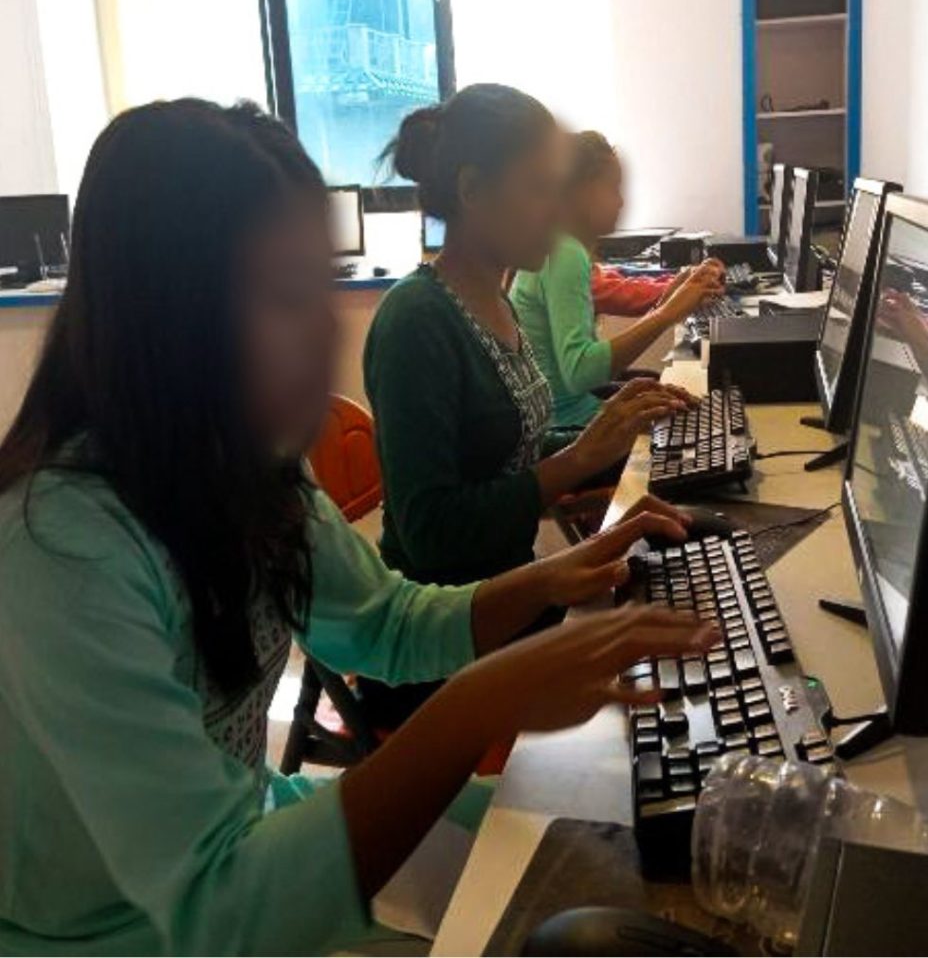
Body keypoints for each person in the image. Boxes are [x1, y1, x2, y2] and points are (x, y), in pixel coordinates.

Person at [0, 99, 718, 955]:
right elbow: (219, 914)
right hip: (120, 931)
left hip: (247, 840)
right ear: (164, 306)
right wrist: (484, 698)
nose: (320, 328)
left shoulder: (241, 452)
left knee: (622, 848)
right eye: (282, 294)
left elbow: (380, 621)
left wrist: (555, 578)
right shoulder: (60, 546)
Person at [365, 85, 689, 593]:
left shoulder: (497, 299)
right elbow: (429, 533)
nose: (559, 213)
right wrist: (578, 460)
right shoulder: (416, 320)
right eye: (540, 189)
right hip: (446, 625)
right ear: (472, 189)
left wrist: (615, 435)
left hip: (509, 588)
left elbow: (512, 453)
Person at [510, 130, 725, 427]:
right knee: (692, 421)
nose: (621, 202)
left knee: (669, 397)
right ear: (581, 192)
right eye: (613, 188)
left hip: (571, 411)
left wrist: (670, 297)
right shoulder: (565, 254)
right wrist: (666, 314)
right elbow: (581, 372)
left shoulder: (561, 246)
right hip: (564, 425)